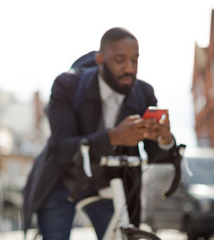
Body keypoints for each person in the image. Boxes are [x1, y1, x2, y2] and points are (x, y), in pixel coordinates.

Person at [23, 27, 176, 240]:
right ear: (101, 60)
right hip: (62, 180)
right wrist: (113, 137)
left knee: (119, 235)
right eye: (120, 60)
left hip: (108, 183)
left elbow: (155, 153)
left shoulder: (144, 93)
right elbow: (61, 146)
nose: (129, 69)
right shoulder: (67, 85)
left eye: (134, 60)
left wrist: (165, 139)